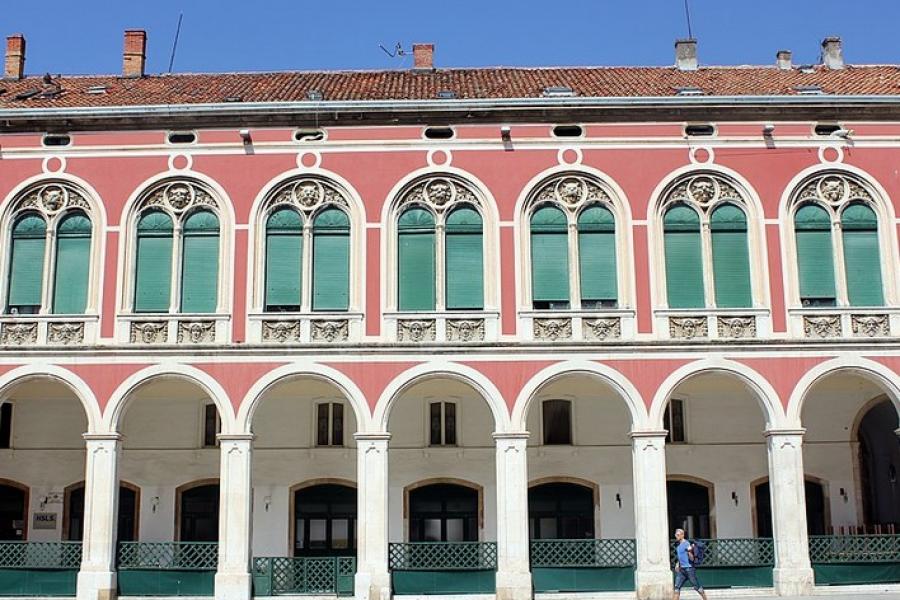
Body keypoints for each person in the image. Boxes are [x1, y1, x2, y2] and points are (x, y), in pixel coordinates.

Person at [673, 528, 707, 600]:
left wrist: (689, 552)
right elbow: (680, 557)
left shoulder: (687, 544)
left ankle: (705, 598)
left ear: (682, 535)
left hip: (689, 569)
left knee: (697, 587)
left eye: (678, 535)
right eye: (676, 535)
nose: (676, 536)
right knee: (676, 588)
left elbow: (692, 559)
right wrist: (677, 564)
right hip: (681, 571)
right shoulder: (678, 546)